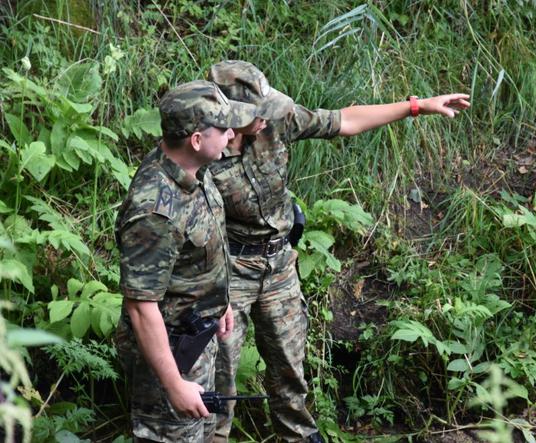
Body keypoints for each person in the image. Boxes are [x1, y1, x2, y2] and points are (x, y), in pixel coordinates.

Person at [207, 60, 471, 442]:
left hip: (278, 265)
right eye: (255, 115)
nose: (265, 120)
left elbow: (344, 121)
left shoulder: (277, 119)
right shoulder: (201, 149)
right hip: (227, 271)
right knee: (220, 380)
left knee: (290, 374)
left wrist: (417, 106)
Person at [114, 80, 257, 442]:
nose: (231, 137)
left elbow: (198, 248)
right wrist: (175, 384)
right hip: (171, 355)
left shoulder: (194, 168)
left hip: (198, 334)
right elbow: (141, 307)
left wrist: (217, 301)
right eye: (223, 130)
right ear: (195, 139)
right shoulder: (155, 212)